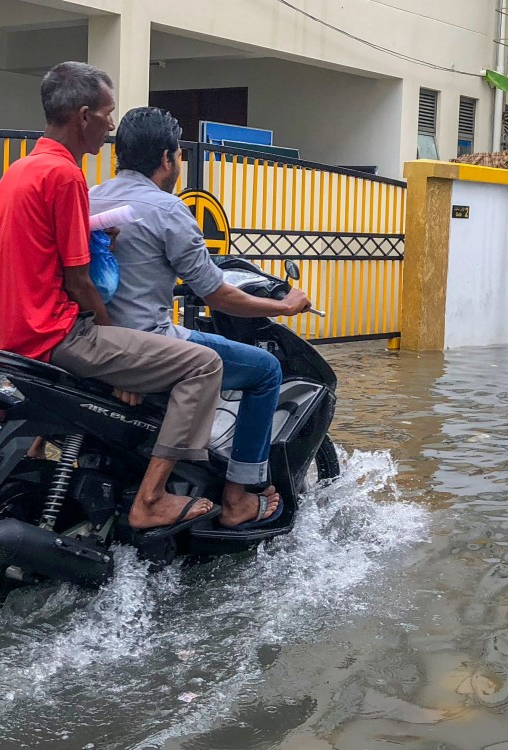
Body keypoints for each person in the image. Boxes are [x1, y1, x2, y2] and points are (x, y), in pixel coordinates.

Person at [0, 62, 224, 535]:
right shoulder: (66, 176)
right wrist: (116, 340)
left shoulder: (21, 171)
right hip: (56, 334)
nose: (112, 126)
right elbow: (79, 284)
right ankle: (151, 499)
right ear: (85, 116)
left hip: (9, 336)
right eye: (108, 114)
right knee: (204, 365)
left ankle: (41, 457)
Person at [90, 107, 312, 529]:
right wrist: (284, 306)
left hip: (99, 341)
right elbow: (218, 294)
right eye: (178, 155)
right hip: (152, 342)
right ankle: (237, 498)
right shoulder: (168, 210)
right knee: (265, 370)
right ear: (167, 159)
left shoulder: (91, 196)